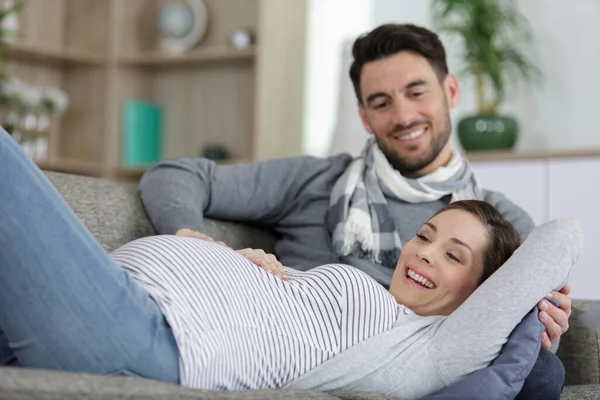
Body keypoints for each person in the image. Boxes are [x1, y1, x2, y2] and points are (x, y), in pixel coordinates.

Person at [139, 24, 573, 398]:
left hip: (422, 369)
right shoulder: (318, 180)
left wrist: (543, 324)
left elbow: (518, 333)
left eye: (416, 92)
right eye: (381, 102)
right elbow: (176, 174)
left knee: (542, 371)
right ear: (364, 117)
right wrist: (190, 238)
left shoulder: (501, 221)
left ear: (451, 91)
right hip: (298, 355)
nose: (403, 115)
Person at [0, 126, 582, 400]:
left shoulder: (433, 351)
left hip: (141, 340)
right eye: (426, 236)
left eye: (453, 256)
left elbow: (563, 236)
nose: (423, 253)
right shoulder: (376, 302)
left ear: (482, 291)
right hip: (133, 296)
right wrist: (242, 268)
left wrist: (529, 304)